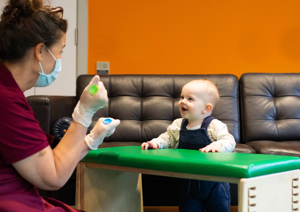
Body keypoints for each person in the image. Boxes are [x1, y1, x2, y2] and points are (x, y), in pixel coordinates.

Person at [0, 0, 120, 211]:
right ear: (40, 51)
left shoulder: (9, 92)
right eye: (60, 51)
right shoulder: (7, 101)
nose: (59, 59)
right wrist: (84, 112)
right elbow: (53, 176)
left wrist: (91, 140)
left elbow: (41, 161)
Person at [141, 79, 236, 212]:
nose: (182, 101)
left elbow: (229, 140)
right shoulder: (178, 124)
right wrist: (156, 143)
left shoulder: (215, 126)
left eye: (190, 99)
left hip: (215, 184)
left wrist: (217, 146)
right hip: (189, 184)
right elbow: (167, 137)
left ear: (206, 108)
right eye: (182, 97)